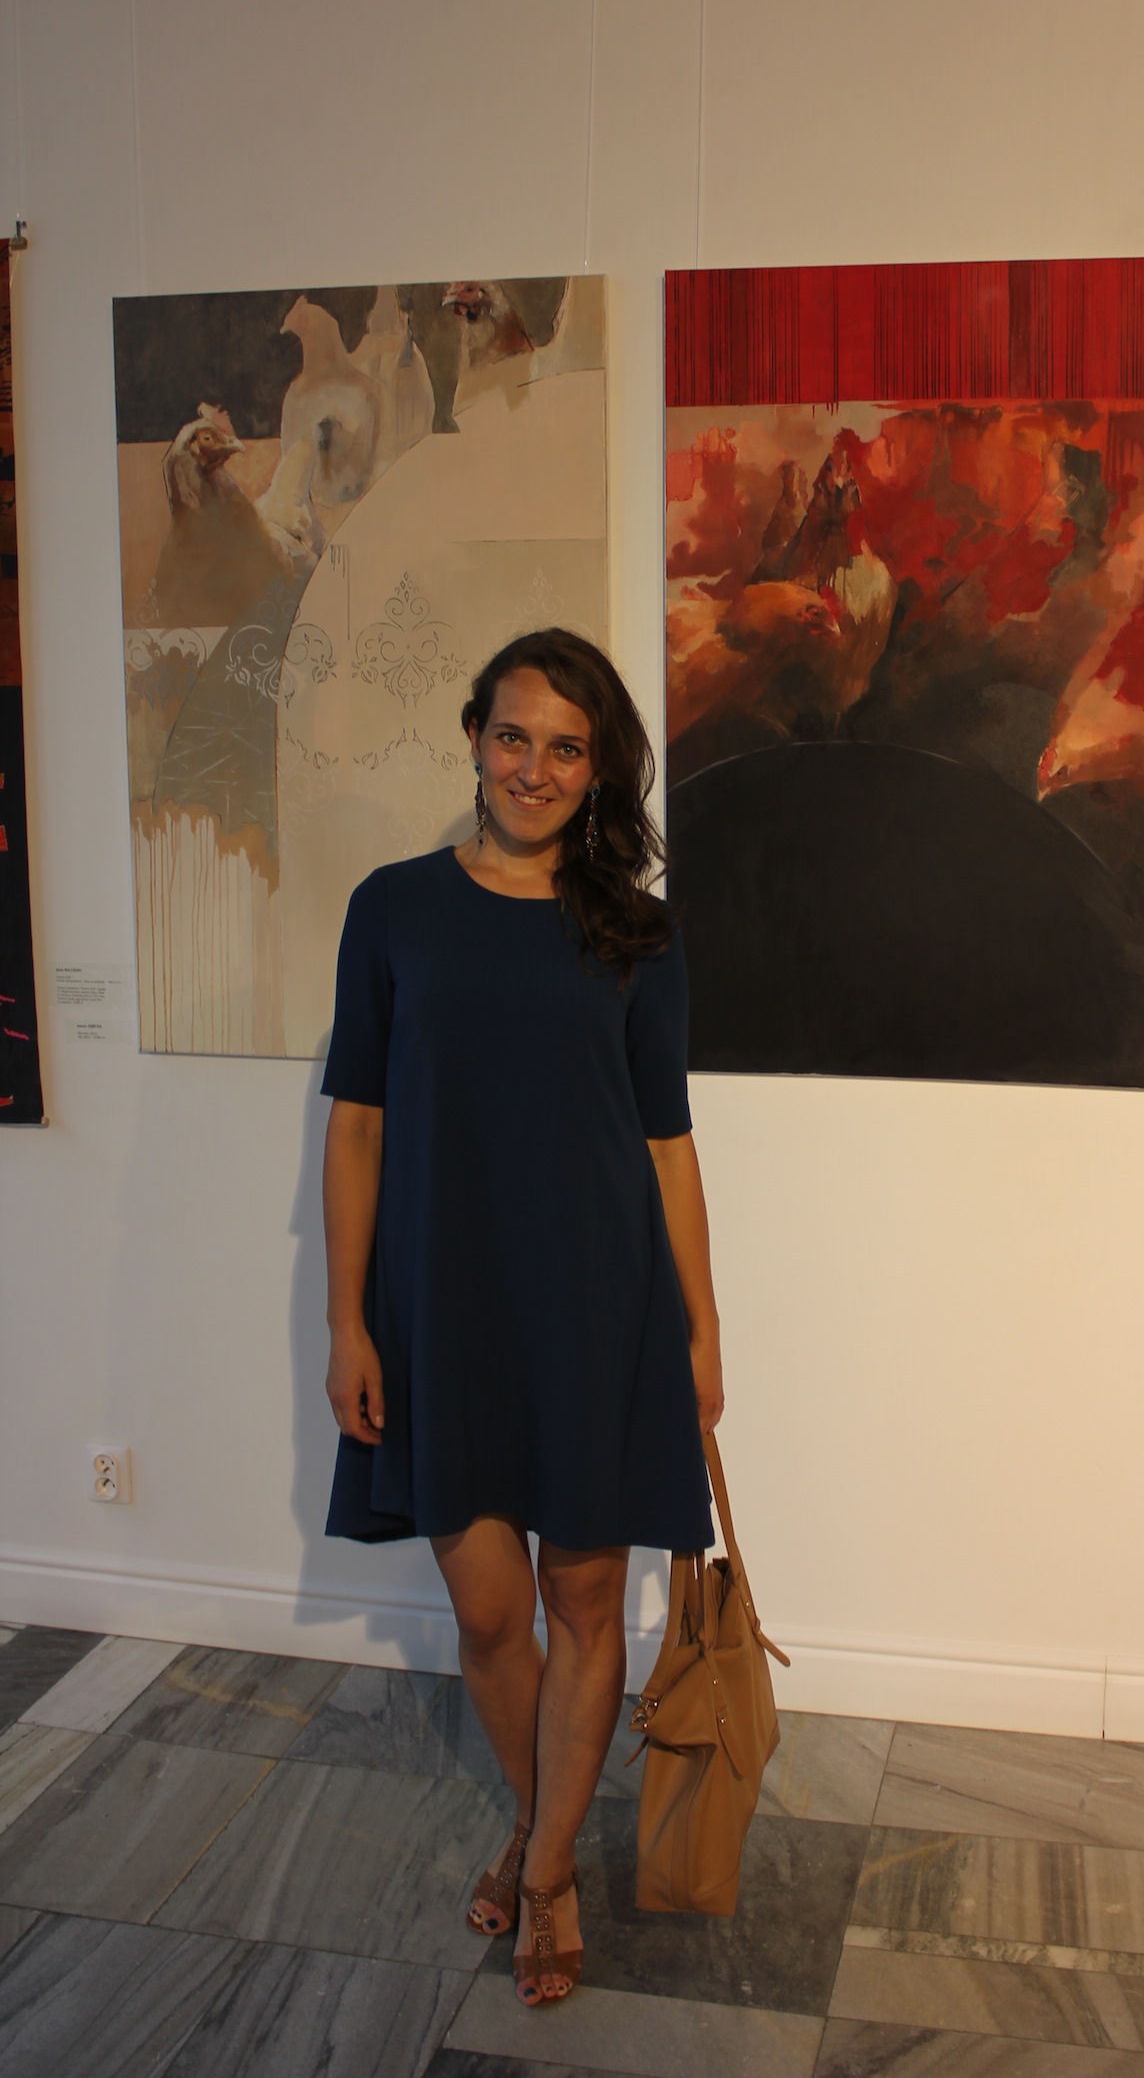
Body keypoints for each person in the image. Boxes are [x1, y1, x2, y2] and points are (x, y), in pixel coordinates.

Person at [320, 627, 724, 2007]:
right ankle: (540, 1815)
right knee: (489, 1610)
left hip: (601, 1302)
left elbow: (667, 1144)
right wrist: (346, 1322)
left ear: (597, 768)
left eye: (566, 746)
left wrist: (703, 1331)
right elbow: (358, 1125)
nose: (534, 768)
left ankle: (545, 1869)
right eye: (513, 736)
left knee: (583, 1595)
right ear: (474, 738)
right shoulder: (392, 909)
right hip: (443, 1304)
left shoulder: (638, 932)